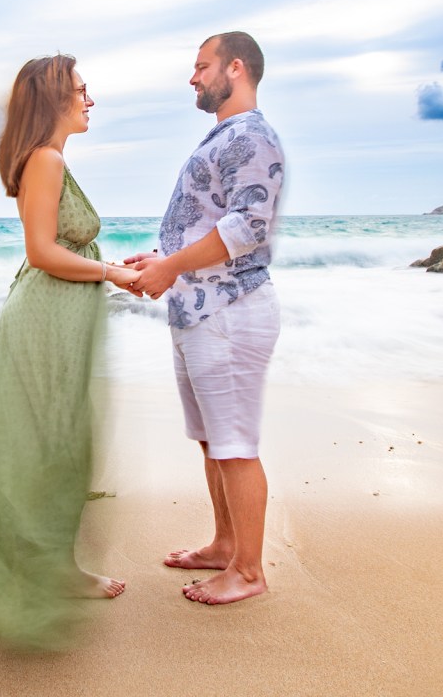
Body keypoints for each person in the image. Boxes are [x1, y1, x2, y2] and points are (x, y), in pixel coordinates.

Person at [0, 53, 139, 649]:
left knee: (62, 446)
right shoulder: (47, 159)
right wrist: (111, 272)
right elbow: (41, 253)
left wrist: (111, 265)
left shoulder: (51, 161)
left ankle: (58, 566)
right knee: (47, 448)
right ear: (54, 98)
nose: (90, 100)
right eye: (82, 90)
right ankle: (47, 573)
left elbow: (61, 245)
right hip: (44, 319)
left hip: (62, 317)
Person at [124, 31, 284, 605]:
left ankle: (248, 571)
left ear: (235, 68)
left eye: (201, 66)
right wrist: (165, 263)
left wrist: (172, 270)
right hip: (198, 309)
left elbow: (248, 228)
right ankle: (224, 545)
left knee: (234, 443)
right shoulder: (225, 136)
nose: (192, 78)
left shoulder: (251, 136)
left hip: (232, 310)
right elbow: (210, 224)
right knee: (212, 441)